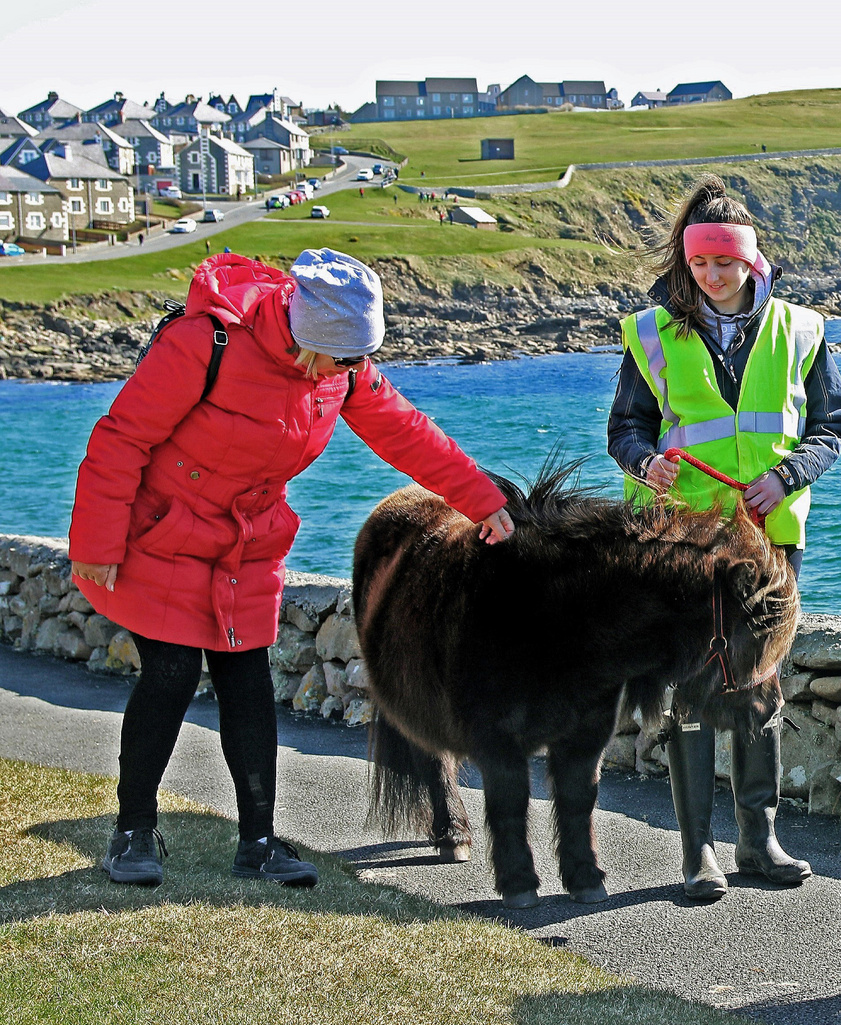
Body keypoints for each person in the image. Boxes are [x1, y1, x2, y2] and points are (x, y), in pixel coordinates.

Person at [70, 249, 516, 890]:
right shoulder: (207, 342)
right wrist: (97, 541)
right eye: (346, 356)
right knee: (170, 674)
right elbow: (121, 438)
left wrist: (483, 501)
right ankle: (133, 832)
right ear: (310, 339)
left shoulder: (343, 369)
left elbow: (407, 432)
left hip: (246, 543)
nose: (359, 368)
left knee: (248, 684)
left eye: (363, 355)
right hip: (161, 534)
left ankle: (258, 842)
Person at [607, 176, 841, 901]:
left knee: (757, 684)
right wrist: (644, 462)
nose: (712, 276)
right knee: (688, 686)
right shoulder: (649, 333)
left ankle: (758, 839)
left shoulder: (803, 330)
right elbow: (625, 430)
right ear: (686, 264)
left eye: (726, 263)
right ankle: (696, 853)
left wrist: (789, 477)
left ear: (752, 260)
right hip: (679, 540)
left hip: (769, 537)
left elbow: (831, 425)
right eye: (700, 264)